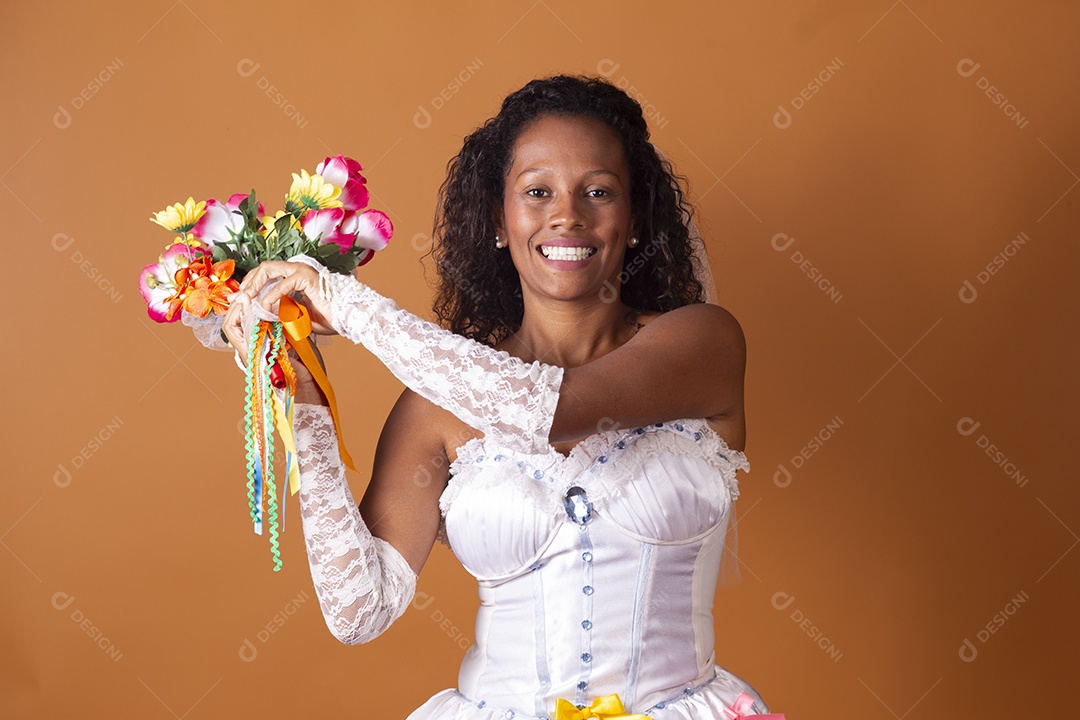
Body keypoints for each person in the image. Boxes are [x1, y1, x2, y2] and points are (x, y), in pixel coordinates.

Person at [223, 75, 778, 719]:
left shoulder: (702, 344)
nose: (567, 214)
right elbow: (358, 610)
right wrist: (304, 399)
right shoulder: (434, 408)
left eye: (598, 191)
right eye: (537, 191)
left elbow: (548, 407)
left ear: (635, 222)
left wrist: (346, 305)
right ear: (498, 219)